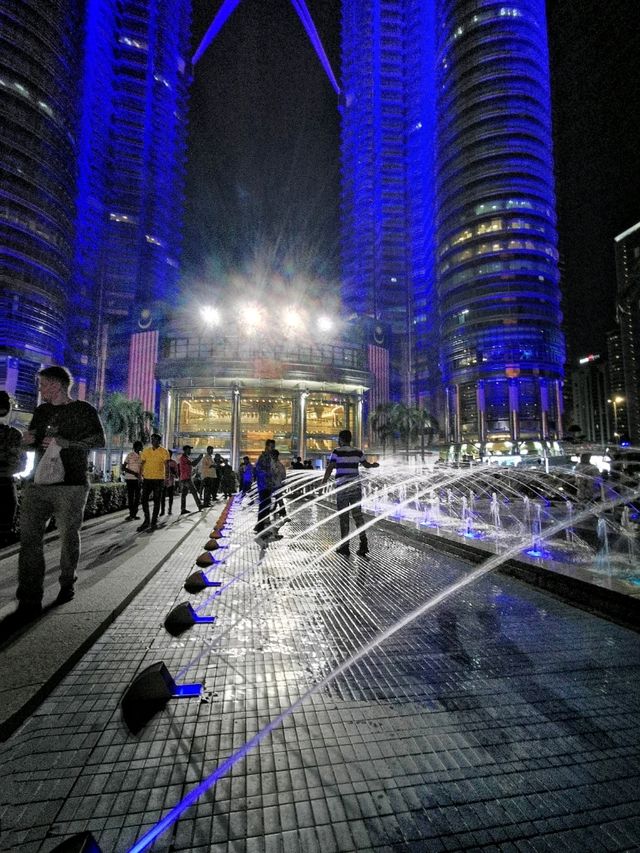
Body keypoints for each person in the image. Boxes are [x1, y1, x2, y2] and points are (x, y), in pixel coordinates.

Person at [15, 366, 105, 618]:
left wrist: (68, 444)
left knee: (68, 535)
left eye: (43, 384)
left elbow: (99, 441)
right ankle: (29, 596)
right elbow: (34, 442)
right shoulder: (42, 411)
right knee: (30, 539)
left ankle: (67, 581)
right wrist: (28, 441)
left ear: (56, 385)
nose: (40, 389)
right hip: (38, 484)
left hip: (72, 485)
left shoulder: (84, 410)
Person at [322, 429, 379, 558]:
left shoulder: (336, 452)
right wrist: (373, 465)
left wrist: (324, 481)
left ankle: (345, 546)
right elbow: (366, 465)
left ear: (341, 439)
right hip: (355, 488)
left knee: (344, 517)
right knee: (358, 516)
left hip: (342, 488)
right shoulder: (358, 452)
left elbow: (330, 467)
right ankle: (363, 544)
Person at [0, 391, 25, 545]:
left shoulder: (15, 435)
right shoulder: (15, 435)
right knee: (4, 527)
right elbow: (20, 463)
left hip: (7, 483)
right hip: (6, 484)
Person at [139, 433, 170, 531]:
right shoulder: (146, 451)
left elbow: (167, 466)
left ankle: (153, 521)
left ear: (159, 441)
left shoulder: (164, 451)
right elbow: (142, 464)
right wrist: (140, 475)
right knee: (144, 499)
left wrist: (166, 478)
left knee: (157, 501)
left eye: (155, 439)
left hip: (159, 480)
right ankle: (146, 520)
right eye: (152, 439)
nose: (153, 441)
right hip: (147, 479)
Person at [254, 438, 276, 536]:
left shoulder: (268, 457)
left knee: (265, 505)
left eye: (273, 447)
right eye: (271, 446)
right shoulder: (264, 457)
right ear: (267, 446)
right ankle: (260, 527)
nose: (272, 448)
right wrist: (269, 474)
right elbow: (260, 470)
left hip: (266, 485)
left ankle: (260, 526)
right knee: (264, 506)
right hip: (264, 485)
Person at [122, 440, 143, 520]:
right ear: (135, 447)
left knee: (137, 497)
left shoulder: (142, 456)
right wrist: (134, 473)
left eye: (141, 447)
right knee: (131, 497)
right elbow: (123, 467)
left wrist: (141, 476)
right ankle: (131, 514)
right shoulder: (129, 455)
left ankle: (134, 514)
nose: (140, 448)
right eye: (139, 446)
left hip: (138, 479)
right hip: (130, 479)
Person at [179, 444, 203, 514]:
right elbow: (193, 464)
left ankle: (183, 509)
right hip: (186, 478)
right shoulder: (183, 458)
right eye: (189, 449)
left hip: (185, 478)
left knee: (184, 494)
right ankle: (199, 505)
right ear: (185, 450)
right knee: (194, 492)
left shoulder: (186, 457)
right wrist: (199, 458)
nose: (190, 451)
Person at [272, 449, 289, 522]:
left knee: (279, 498)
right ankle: (277, 510)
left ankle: (283, 513)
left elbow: (283, 475)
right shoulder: (275, 464)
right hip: (274, 484)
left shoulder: (278, 465)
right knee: (277, 498)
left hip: (277, 485)